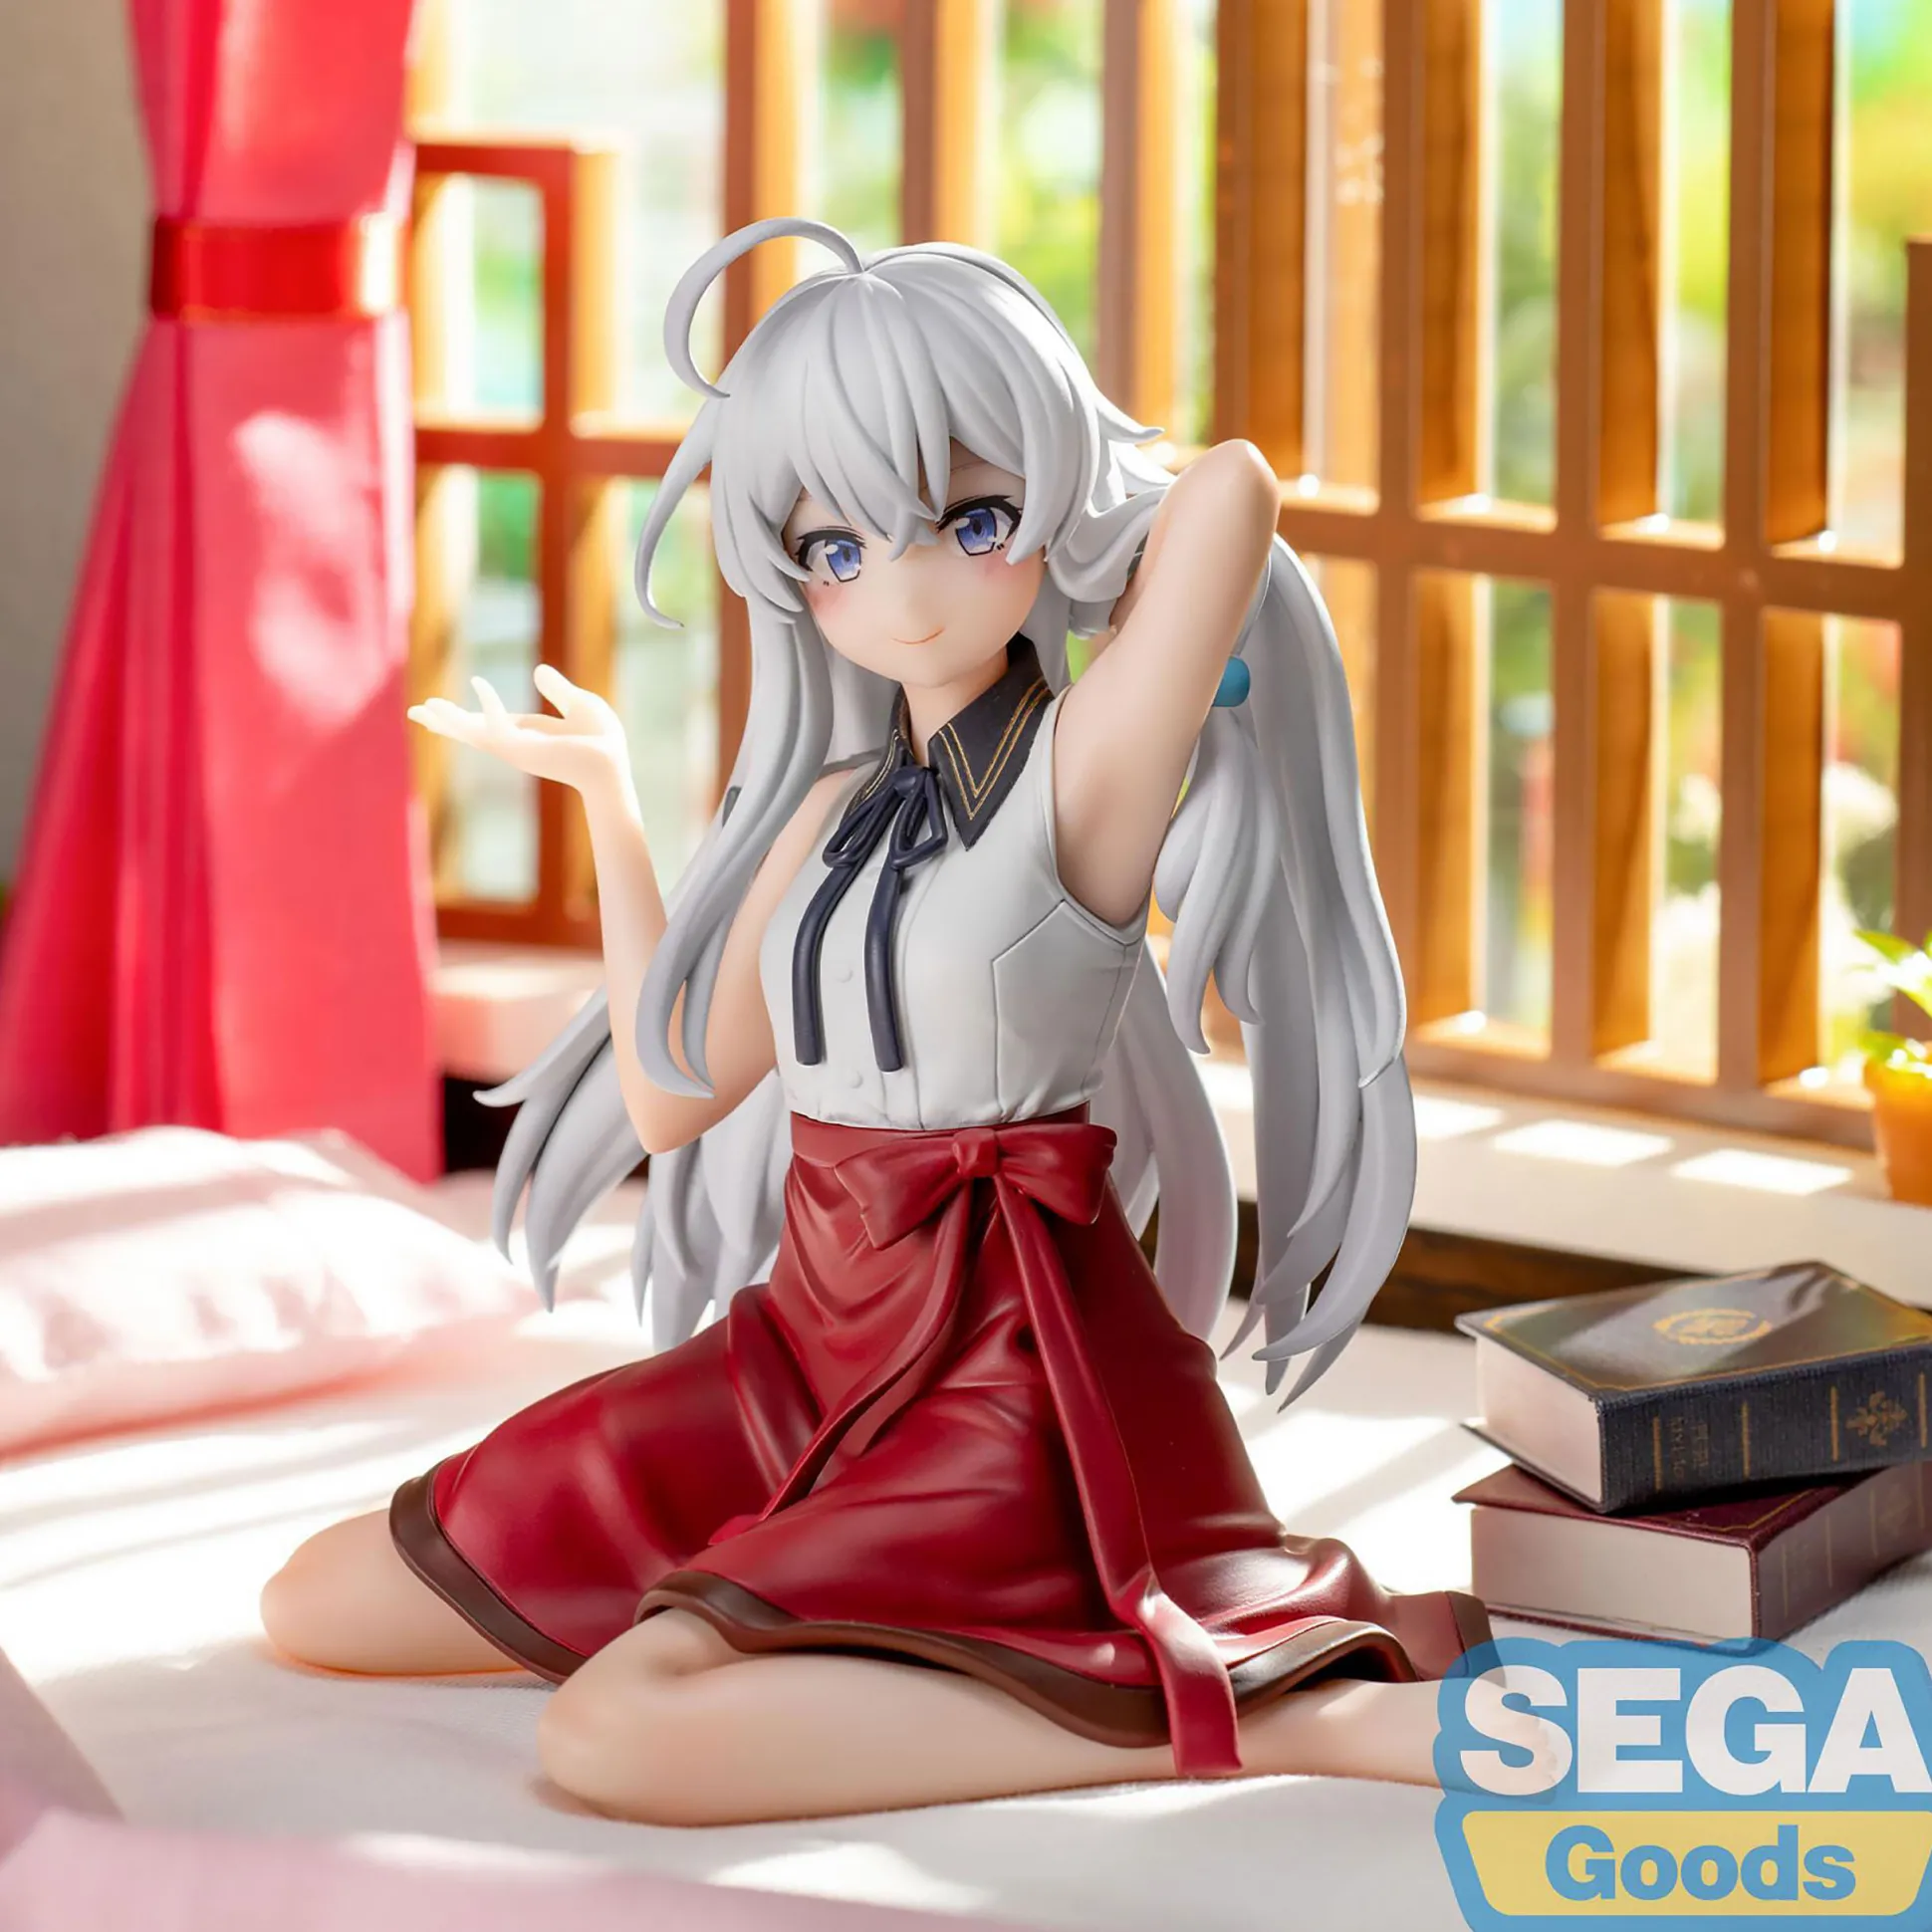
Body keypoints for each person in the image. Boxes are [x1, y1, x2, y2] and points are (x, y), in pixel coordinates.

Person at [261, 218, 1487, 1824]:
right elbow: (671, 1095)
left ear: (1044, 512)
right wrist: (612, 805)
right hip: (804, 1336)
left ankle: (1238, 1720)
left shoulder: (1086, 769)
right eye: (837, 547)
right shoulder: (834, 806)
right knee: (322, 1603)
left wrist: (1071, 496)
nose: (902, 592)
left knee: (616, 1737)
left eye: (968, 522)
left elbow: (1234, 492)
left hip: (1007, 1359)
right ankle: (828, 1604)